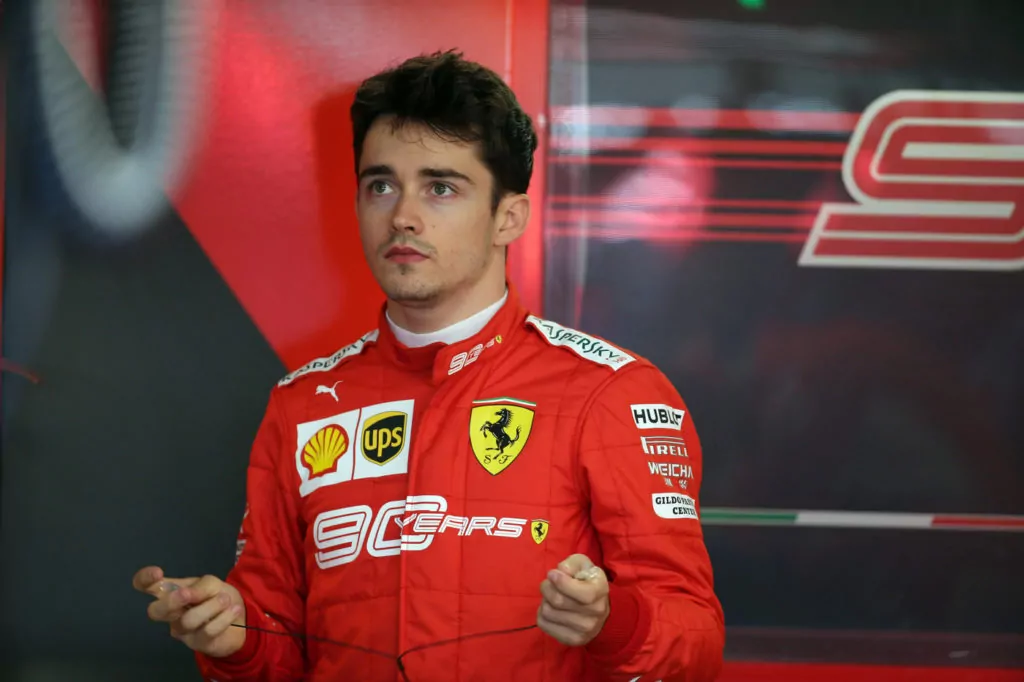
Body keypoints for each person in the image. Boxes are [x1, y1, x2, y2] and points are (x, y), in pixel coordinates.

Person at [133, 50, 725, 682]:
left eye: (440, 187)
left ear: (508, 217)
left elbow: (695, 639)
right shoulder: (303, 402)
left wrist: (613, 621)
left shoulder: (610, 392)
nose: (402, 216)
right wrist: (236, 637)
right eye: (381, 185)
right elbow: (279, 643)